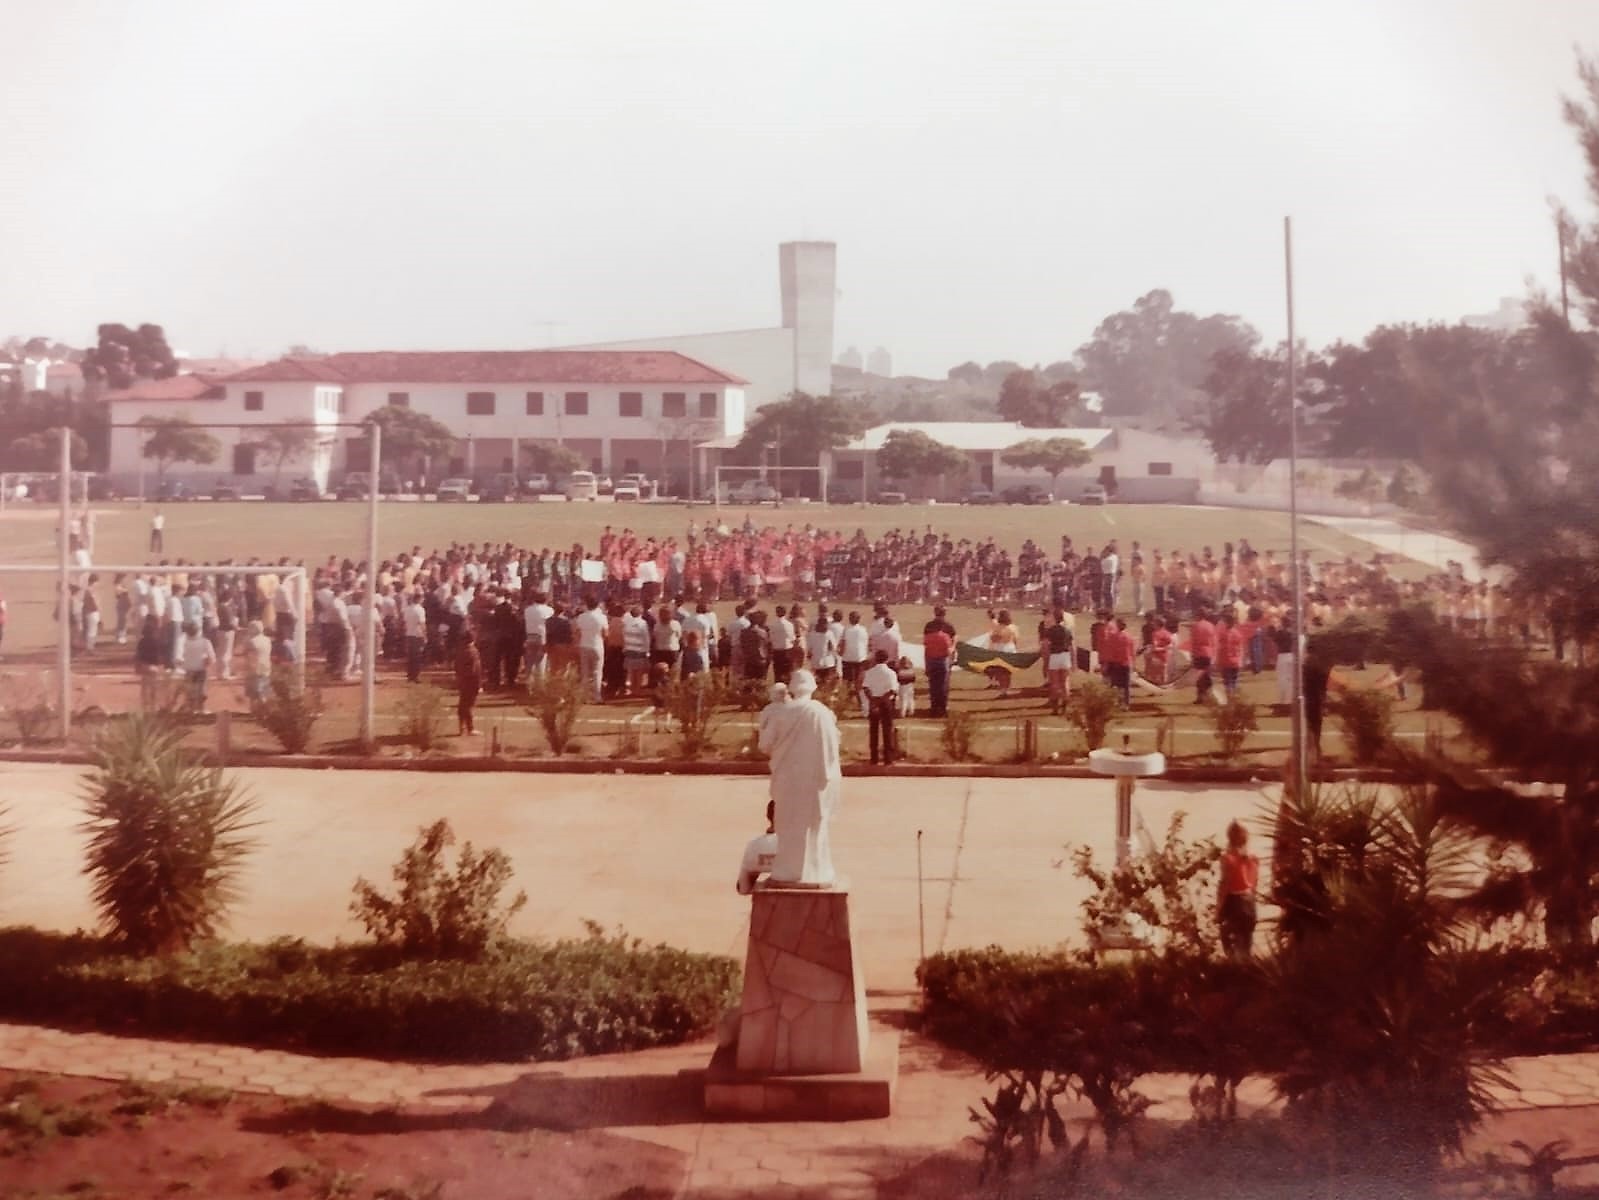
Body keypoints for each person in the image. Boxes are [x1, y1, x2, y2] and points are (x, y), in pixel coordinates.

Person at [757, 669, 842, 885]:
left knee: (788, 826)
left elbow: (764, 745)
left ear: (792, 689)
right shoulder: (822, 713)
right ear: (813, 688)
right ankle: (816, 871)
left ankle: (787, 871)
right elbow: (834, 747)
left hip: (788, 779)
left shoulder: (781, 713)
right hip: (815, 779)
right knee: (814, 827)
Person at [1217, 820, 1260, 959]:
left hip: (1233, 902)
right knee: (1246, 944)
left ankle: (1234, 972)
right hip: (1249, 902)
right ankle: (1246, 972)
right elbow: (1254, 884)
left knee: (1230, 944)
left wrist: (1218, 907)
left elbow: (1225, 884)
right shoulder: (1253, 859)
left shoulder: (1227, 859)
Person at [862, 650, 900, 765]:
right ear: (886, 659)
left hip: (873, 701)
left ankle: (874, 758)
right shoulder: (890, 673)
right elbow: (892, 690)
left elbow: (866, 688)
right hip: (886, 702)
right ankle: (888, 758)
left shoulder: (870, 672)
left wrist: (873, 701)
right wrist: (882, 700)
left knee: (873, 731)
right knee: (887, 730)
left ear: (876, 659)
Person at [735, 800, 780, 895]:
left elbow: (743, 888)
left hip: (766, 906)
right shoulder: (804, 847)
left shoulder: (754, 845)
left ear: (768, 816)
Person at [922, 606, 956, 718]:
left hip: (931, 658)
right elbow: (952, 641)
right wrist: (952, 651)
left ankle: (934, 707)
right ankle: (942, 707)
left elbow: (926, 647)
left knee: (933, 685)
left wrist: (926, 664)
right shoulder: (947, 630)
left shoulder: (929, 626)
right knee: (943, 685)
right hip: (943, 659)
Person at [575, 594, 608, 703]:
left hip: (584, 645)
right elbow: (605, 633)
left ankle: (584, 696)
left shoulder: (581, 617)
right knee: (597, 672)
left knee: (585, 672)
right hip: (597, 645)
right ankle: (597, 696)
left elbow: (578, 633)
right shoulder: (602, 617)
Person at [180, 620, 216, 713]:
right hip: (200, 669)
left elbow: (179, 657)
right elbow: (212, 657)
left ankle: (191, 708)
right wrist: (208, 662)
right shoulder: (205, 642)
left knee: (190, 689)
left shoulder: (184, 642)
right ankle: (201, 708)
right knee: (201, 689)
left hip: (189, 669)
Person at [1043, 609, 1073, 714]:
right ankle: (1065, 707)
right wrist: (1073, 661)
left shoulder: (1050, 631)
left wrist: (1045, 662)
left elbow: (1046, 647)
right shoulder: (1067, 630)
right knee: (1065, 682)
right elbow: (1071, 647)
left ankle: (1055, 708)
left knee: (1054, 683)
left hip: (1054, 656)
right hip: (1065, 656)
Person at [455, 628, 482, 736]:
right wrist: (479, 684)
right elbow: (475, 670)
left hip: (462, 680)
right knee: (468, 705)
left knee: (462, 704)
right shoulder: (473, 651)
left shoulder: (460, 650)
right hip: (471, 681)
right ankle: (470, 728)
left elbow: (456, 666)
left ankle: (461, 727)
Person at [135, 614, 165, 709]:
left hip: (144, 666)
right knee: (154, 687)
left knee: (144, 687)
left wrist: (137, 666)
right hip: (154, 667)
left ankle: (144, 705)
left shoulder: (141, 642)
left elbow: (138, 655)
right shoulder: (157, 641)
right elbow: (160, 655)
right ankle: (153, 705)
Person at [243, 619, 273, 704]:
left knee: (254, 694)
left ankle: (255, 711)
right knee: (264, 692)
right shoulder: (267, 640)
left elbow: (246, 654)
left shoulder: (251, 641)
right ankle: (264, 710)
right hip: (266, 667)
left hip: (254, 669)